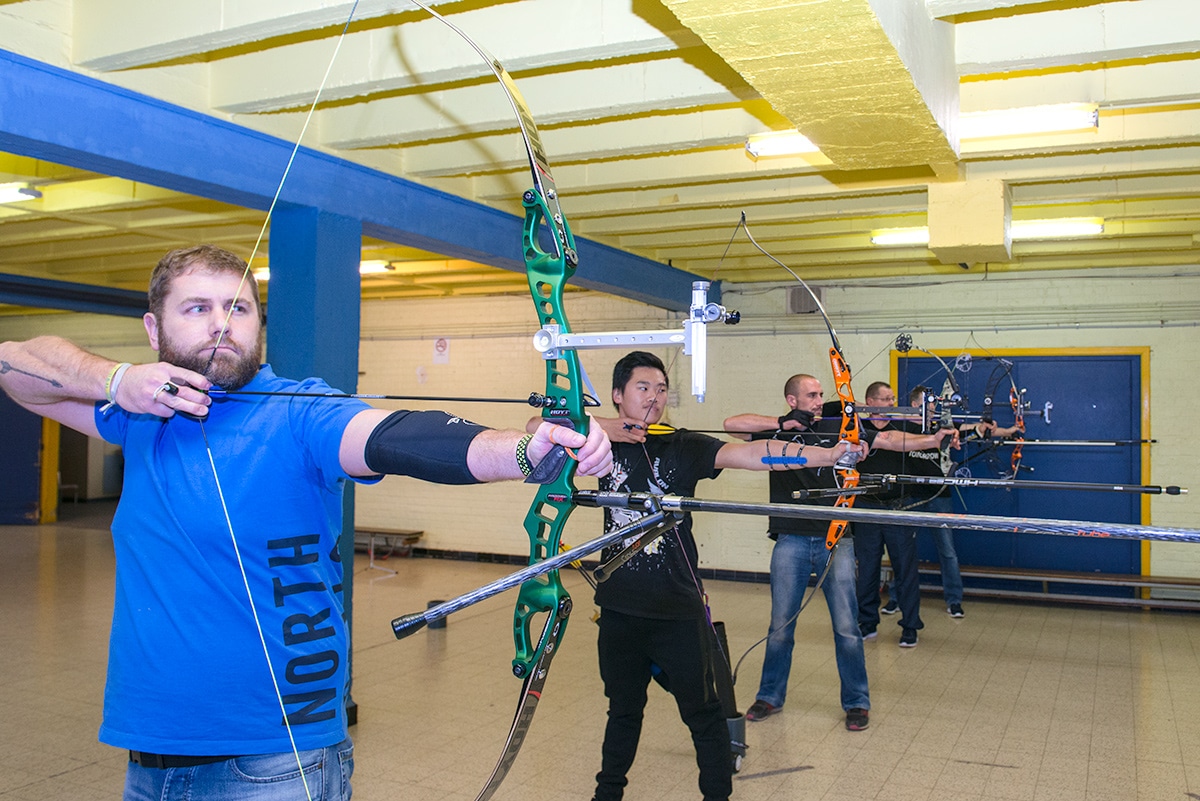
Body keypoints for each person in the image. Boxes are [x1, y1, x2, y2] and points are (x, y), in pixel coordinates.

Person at [0, 244, 613, 801]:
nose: (222, 323)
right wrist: (118, 379)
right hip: (152, 757)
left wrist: (524, 450)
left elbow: (395, 436)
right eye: (197, 308)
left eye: (239, 307)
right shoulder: (140, 414)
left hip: (275, 762)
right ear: (153, 328)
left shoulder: (300, 413)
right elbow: (15, 366)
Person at [580, 352, 864, 801]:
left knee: (704, 714)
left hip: (678, 609)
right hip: (619, 610)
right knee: (623, 712)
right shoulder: (595, 444)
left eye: (660, 388)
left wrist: (829, 453)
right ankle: (606, 795)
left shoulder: (684, 444)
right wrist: (597, 428)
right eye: (642, 388)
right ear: (617, 395)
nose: (654, 397)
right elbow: (537, 428)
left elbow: (753, 452)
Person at [723, 373, 954, 729]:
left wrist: (933, 439)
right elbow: (732, 425)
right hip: (791, 539)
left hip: (837, 538)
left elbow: (890, 438)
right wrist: (781, 424)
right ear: (792, 400)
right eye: (811, 395)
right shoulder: (779, 429)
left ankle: (857, 702)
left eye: (820, 394)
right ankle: (769, 695)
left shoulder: (840, 425)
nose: (819, 400)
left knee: (847, 627)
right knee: (780, 625)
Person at [878, 385, 1017, 619]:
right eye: (927, 403)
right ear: (914, 405)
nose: (932, 407)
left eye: (933, 403)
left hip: (939, 497)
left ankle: (954, 600)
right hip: (910, 496)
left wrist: (1006, 430)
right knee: (902, 552)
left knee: (948, 552)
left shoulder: (941, 427)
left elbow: (973, 429)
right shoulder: (899, 428)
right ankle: (896, 598)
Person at [854, 381, 959, 647]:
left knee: (906, 569)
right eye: (886, 399)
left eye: (892, 399)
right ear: (870, 401)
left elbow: (925, 435)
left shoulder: (903, 426)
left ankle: (910, 626)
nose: (892, 403)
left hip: (898, 506)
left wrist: (947, 434)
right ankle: (866, 622)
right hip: (866, 508)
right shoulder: (856, 429)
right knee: (867, 570)